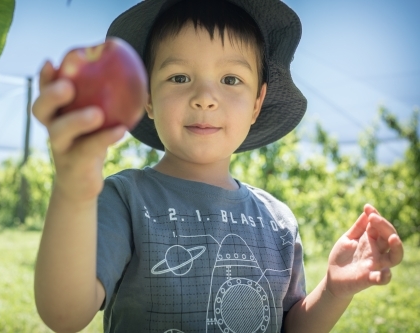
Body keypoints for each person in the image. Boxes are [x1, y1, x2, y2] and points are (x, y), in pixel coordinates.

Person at [31, 0, 404, 332]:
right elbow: (65, 315)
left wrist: (334, 290)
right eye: (179, 77)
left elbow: (290, 325)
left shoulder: (278, 221)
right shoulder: (126, 199)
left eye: (230, 79)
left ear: (257, 103)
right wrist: (74, 189)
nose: (205, 98)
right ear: (146, 97)